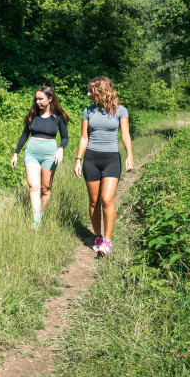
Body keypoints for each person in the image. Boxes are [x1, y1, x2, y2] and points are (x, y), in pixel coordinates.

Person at [73, 77, 134, 255]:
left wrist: (129, 155)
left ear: (101, 91)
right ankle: (97, 237)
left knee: (107, 200)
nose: (88, 94)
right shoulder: (88, 111)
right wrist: (78, 159)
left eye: (91, 90)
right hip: (91, 158)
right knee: (94, 201)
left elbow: (125, 135)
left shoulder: (121, 111)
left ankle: (107, 241)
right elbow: (84, 137)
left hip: (111, 159)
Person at [11, 86, 69, 228]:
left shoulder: (58, 117)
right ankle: (36, 220)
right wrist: (16, 153)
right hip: (32, 153)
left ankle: (41, 214)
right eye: (36, 99)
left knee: (46, 189)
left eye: (40, 99)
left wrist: (61, 149)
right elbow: (25, 134)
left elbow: (65, 137)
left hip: (50, 155)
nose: (37, 101)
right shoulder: (32, 115)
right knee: (33, 186)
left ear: (50, 99)